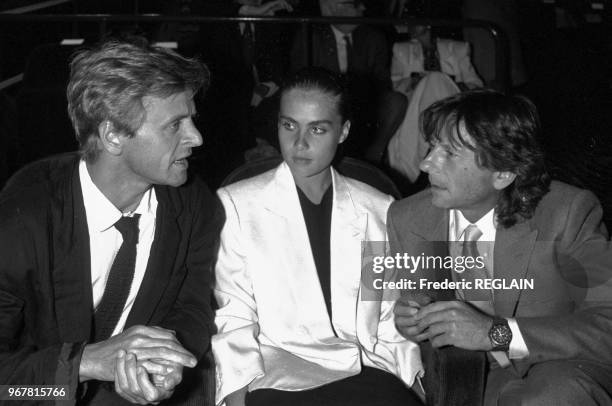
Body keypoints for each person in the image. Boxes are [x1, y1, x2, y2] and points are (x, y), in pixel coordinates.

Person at [0, 40, 222, 405]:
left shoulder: (195, 204)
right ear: (112, 135)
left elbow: (193, 306)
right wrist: (81, 364)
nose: (196, 137)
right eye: (174, 125)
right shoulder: (22, 220)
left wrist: (160, 360)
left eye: (192, 119)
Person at [213, 68, 424, 406]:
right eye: (289, 125)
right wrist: (236, 394)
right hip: (277, 371)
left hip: (364, 368)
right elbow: (234, 313)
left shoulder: (377, 208)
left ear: (343, 132)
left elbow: (385, 311)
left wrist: (408, 378)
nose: (299, 143)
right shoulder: (237, 204)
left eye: (317, 129)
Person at [389, 90, 612, 405]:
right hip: (459, 378)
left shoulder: (568, 212)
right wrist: (410, 319)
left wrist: (496, 333)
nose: (426, 164)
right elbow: (409, 304)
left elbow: (607, 323)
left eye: (450, 153)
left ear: (503, 173)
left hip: (556, 367)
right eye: (432, 146)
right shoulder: (407, 216)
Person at [290, 0, 408, 163]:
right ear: (331, 8)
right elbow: (301, 81)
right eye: (355, 4)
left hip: (362, 101)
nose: (363, 7)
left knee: (396, 101)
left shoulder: (373, 38)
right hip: (326, 100)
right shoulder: (311, 36)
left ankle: (373, 158)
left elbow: (381, 82)